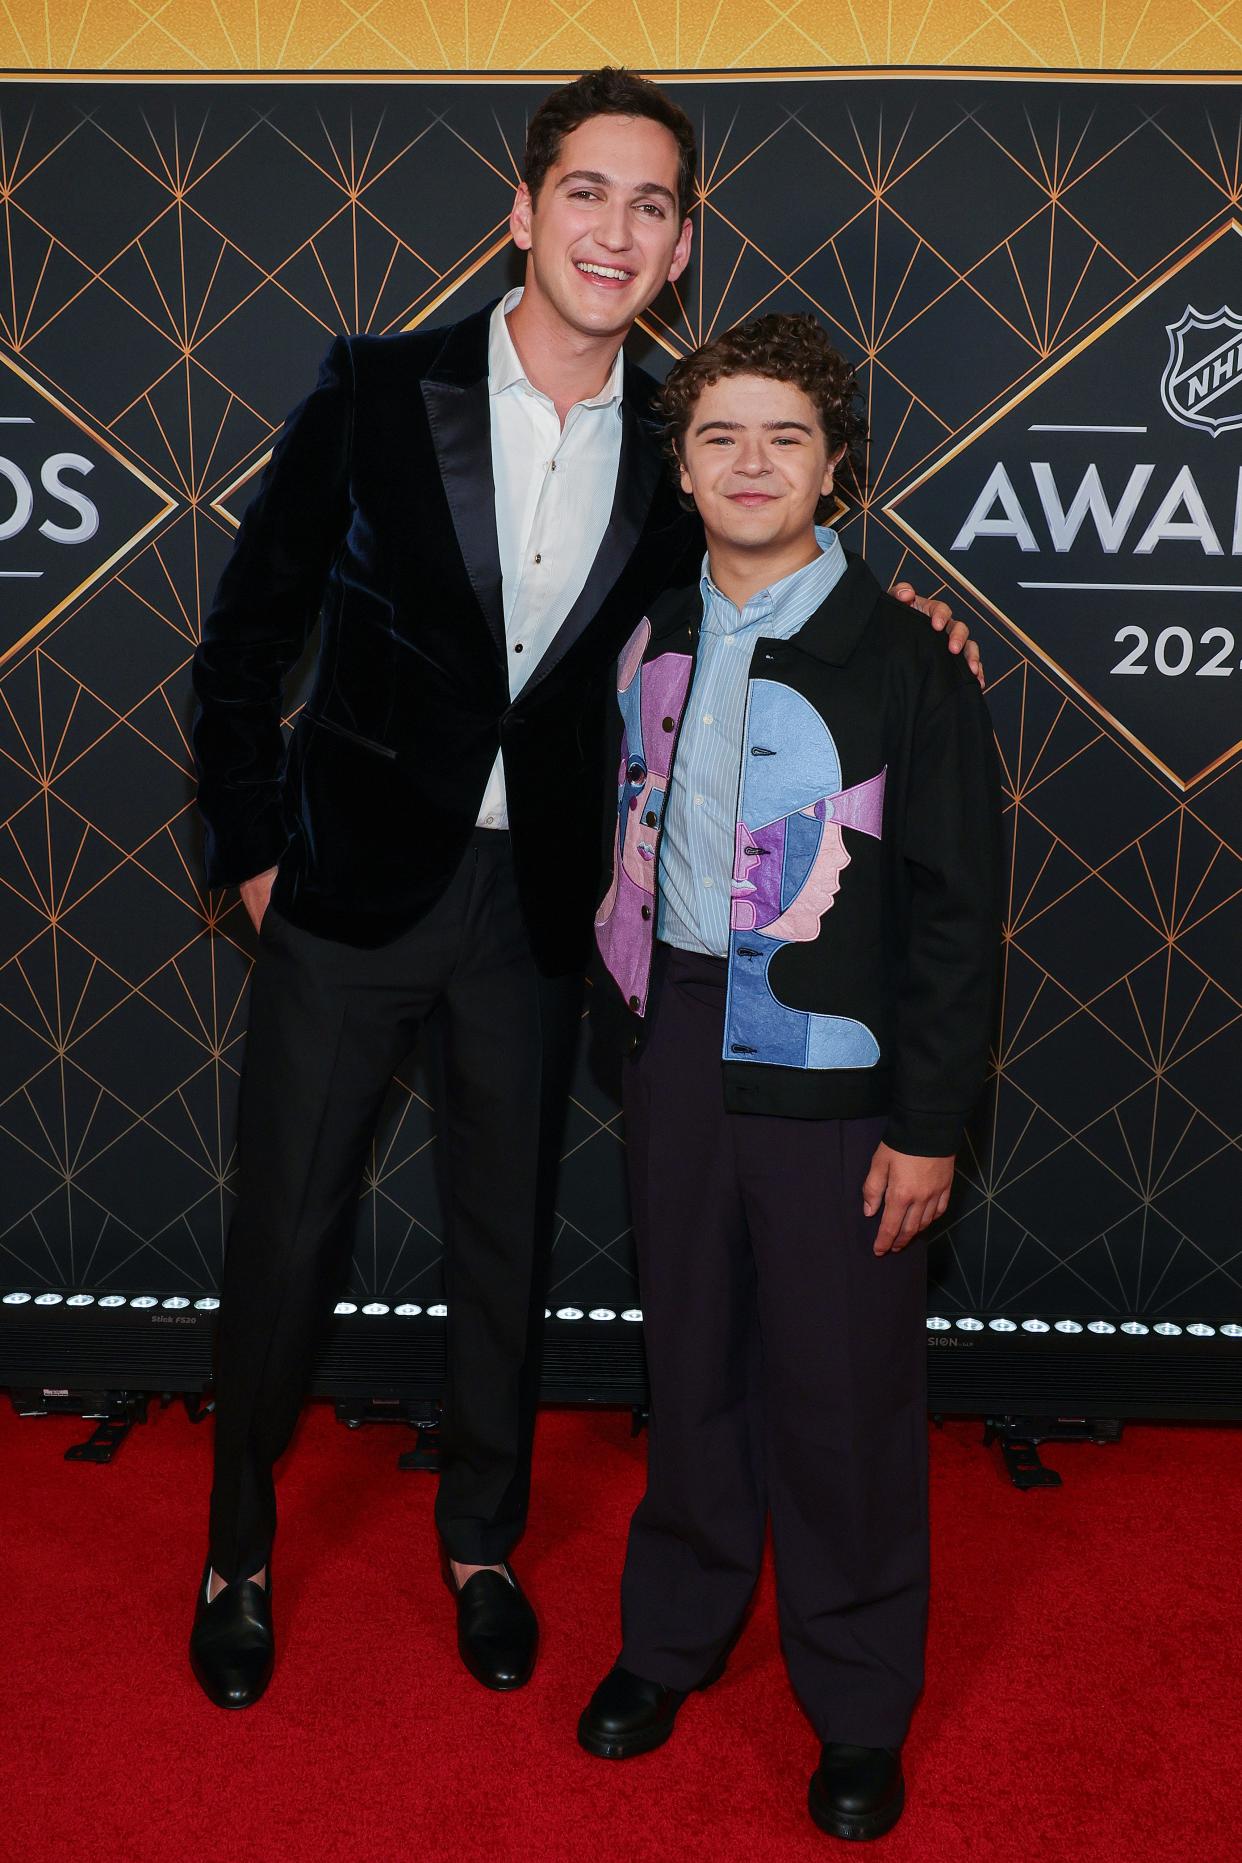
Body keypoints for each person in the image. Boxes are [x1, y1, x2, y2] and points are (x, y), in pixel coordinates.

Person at [188, 68, 982, 1713]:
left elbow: (776, 579)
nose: (613, 229)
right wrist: (256, 857)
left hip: (546, 916)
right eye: (585, 193)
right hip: (345, 896)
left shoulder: (686, 434)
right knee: (284, 1235)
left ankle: (480, 1543)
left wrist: (919, 632)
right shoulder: (378, 385)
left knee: (506, 1241)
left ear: (679, 241)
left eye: (649, 204)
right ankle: (237, 1551)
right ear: (523, 211)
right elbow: (246, 637)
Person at [581, 314, 1002, 1843]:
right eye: (717, 437)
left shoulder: (905, 656)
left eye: (783, 438)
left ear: (836, 466)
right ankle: (670, 1637)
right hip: (675, 1045)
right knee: (686, 1366)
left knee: (841, 1400)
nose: (749, 464)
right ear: (681, 468)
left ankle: (859, 1704)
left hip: (842, 1078)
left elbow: (957, 919)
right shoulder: (648, 632)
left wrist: (930, 1127)